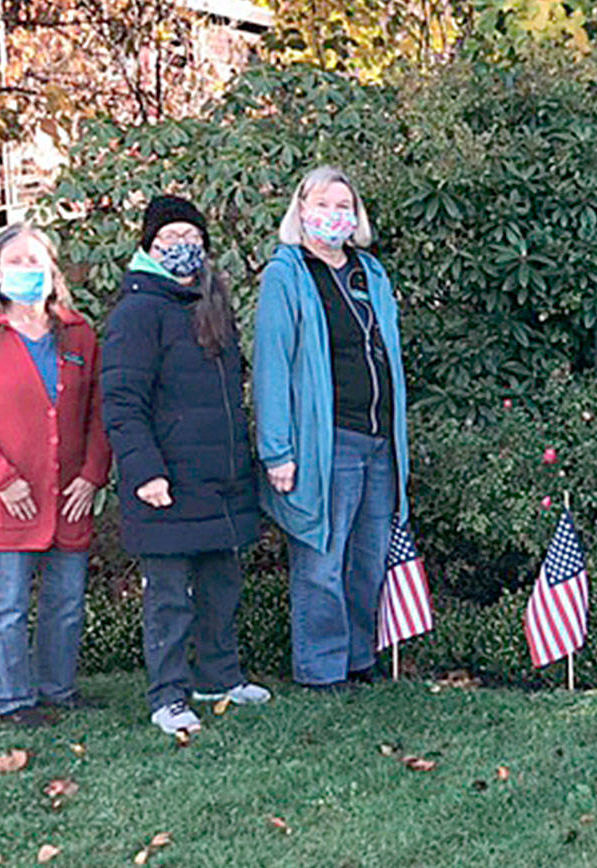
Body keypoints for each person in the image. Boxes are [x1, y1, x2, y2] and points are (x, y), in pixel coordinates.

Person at [102, 195, 269, 736]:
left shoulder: (210, 302)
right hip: (166, 484)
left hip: (220, 480)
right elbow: (123, 402)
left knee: (222, 588)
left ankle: (219, 676)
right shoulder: (137, 312)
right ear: (148, 246)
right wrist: (146, 471)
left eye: (190, 236)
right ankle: (168, 696)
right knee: (170, 599)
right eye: (169, 237)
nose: (182, 247)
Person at [253, 167, 410, 690]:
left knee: (367, 558)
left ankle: (358, 658)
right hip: (327, 444)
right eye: (324, 204)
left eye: (344, 205)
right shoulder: (288, 274)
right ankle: (320, 670)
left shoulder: (371, 273)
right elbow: (273, 363)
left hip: (379, 443)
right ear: (301, 211)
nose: (334, 215)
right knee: (322, 562)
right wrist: (277, 451)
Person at [0, 224, 111, 727]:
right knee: (7, 607)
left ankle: (57, 689)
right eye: (16, 262)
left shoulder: (78, 333)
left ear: (53, 271)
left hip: (68, 495)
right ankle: (12, 700)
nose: (28, 271)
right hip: (8, 500)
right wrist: (3, 479)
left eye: (36, 262)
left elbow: (99, 413)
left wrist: (92, 474)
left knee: (66, 603)